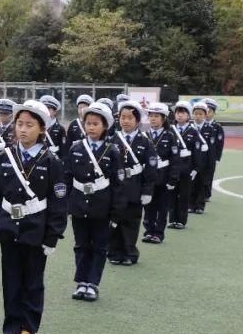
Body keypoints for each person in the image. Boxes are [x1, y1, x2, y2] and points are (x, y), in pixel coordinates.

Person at [0, 100, 68, 334]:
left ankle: (28, 328)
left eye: (30, 125)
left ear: (42, 128)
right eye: (20, 124)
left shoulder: (51, 162)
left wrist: (53, 235)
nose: (23, 129)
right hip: (8, 228)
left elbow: (58, 201)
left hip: (36, 230)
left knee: (32, 281)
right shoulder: (5, 158)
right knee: (10, 280)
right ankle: (11, 327)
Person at [64, 102, 125, 302]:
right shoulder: (75, 148)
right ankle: (81, 282)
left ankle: (93, 284)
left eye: (95, 123)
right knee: (81, 245)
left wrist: (116, 213)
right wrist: (65, 206)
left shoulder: (113, 151)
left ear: (105, 126)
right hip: (79, 205)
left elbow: (118, 184)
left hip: (102, 207)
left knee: (99, 246)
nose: (91, 127)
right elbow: (67, 178)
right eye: (88, 123)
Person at [108, 101, 155, 265]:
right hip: (115, 190)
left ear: (137, 120)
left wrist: (147, 191)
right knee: (114, 222)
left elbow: (150, 169)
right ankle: (113, 252)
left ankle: (129, 253)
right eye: (122, 117)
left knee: (131, 223)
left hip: (134, 189)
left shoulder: (145, 142)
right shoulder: (112, 139)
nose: (125, 121)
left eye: (129, 118)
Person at [141, 103, 181, 244]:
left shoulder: (170, 136)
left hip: (164, 178)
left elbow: (175, 160)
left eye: (156, 116)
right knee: (149, 206)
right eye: (151, 116)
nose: (153, 119)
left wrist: (173, 179)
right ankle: (149, 231)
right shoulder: (144, 136)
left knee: (162, 207)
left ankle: (158, 233)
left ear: (163, 118)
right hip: (149, 179)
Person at [167, 101, 198, 230]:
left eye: (183, 112)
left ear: (188, 115)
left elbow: (197, 152)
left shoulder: (193, 131)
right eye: (178, 112)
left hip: (187, 168)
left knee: (184, 195)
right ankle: (172, 219)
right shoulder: (169, 130)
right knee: (171, 194)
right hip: (172, 168)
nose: (180, 115)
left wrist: (196, 168)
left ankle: (181, 220)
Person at [191, 101, 215, 214]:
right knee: (191, 184)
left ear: (205, 115)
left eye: (201, 114)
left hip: (204, 163)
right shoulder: (190, 128)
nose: (198, 116)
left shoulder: (210, 129)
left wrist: (211, 165)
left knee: (202, 184)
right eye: (196, 114)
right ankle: (190, 205)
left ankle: (200, 206)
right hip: (191, 162)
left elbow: (212, 149)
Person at [202, 98, 226, 203]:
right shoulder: (198, 125)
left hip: (211, 156)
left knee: (209, 174)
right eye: (205, 112)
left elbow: (219, 144)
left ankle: (206, 194)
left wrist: (217, 157)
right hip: (199, 155)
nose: (207, 114)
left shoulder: (217, 127)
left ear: (214, 113)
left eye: (209, 112)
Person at [39, 95, 68, 159]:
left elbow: (64, 150)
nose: (45, 111)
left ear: (54, 111)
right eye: (44, 108)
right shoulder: (38, 126)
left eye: (48, 109)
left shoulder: (60, 129)